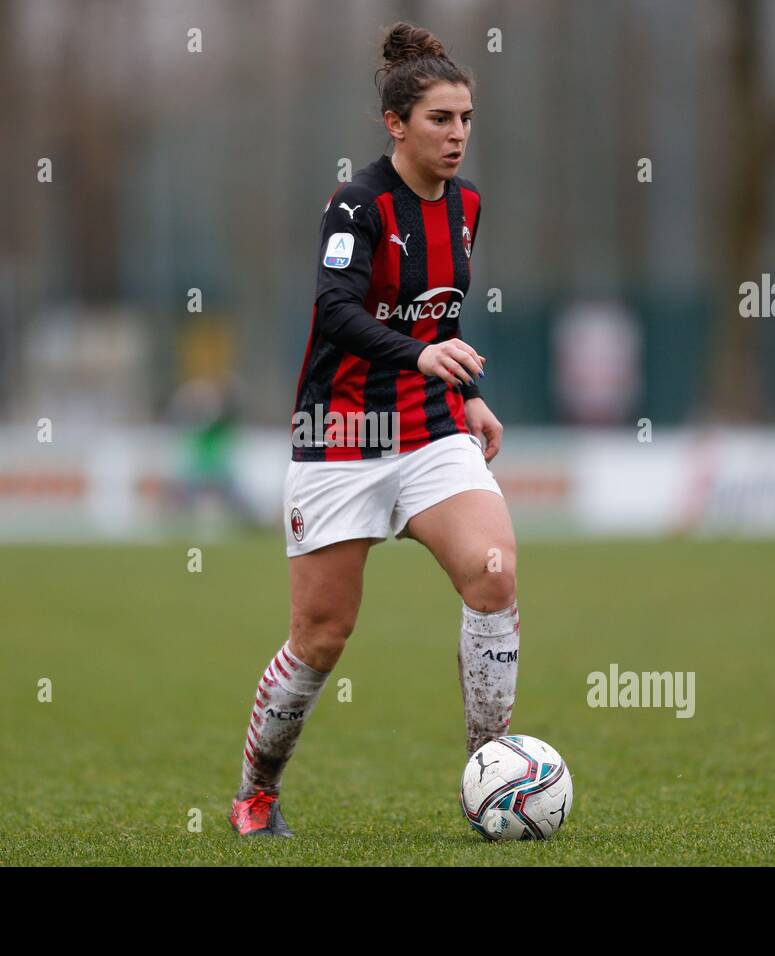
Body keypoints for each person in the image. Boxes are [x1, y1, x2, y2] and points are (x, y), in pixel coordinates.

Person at [230, 22, 520, 837]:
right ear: (396, 124)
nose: (457, 134)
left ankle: (488, 775)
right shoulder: (356, 203)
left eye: (465, 118)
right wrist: (424, 358)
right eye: (440, 119)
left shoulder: (465, 205)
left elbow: (439, 311)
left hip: (431, 433)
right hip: (341, 435)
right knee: (322, 637)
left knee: (494, 576)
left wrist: (466, 396)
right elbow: (337, 312)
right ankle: (256, 791)